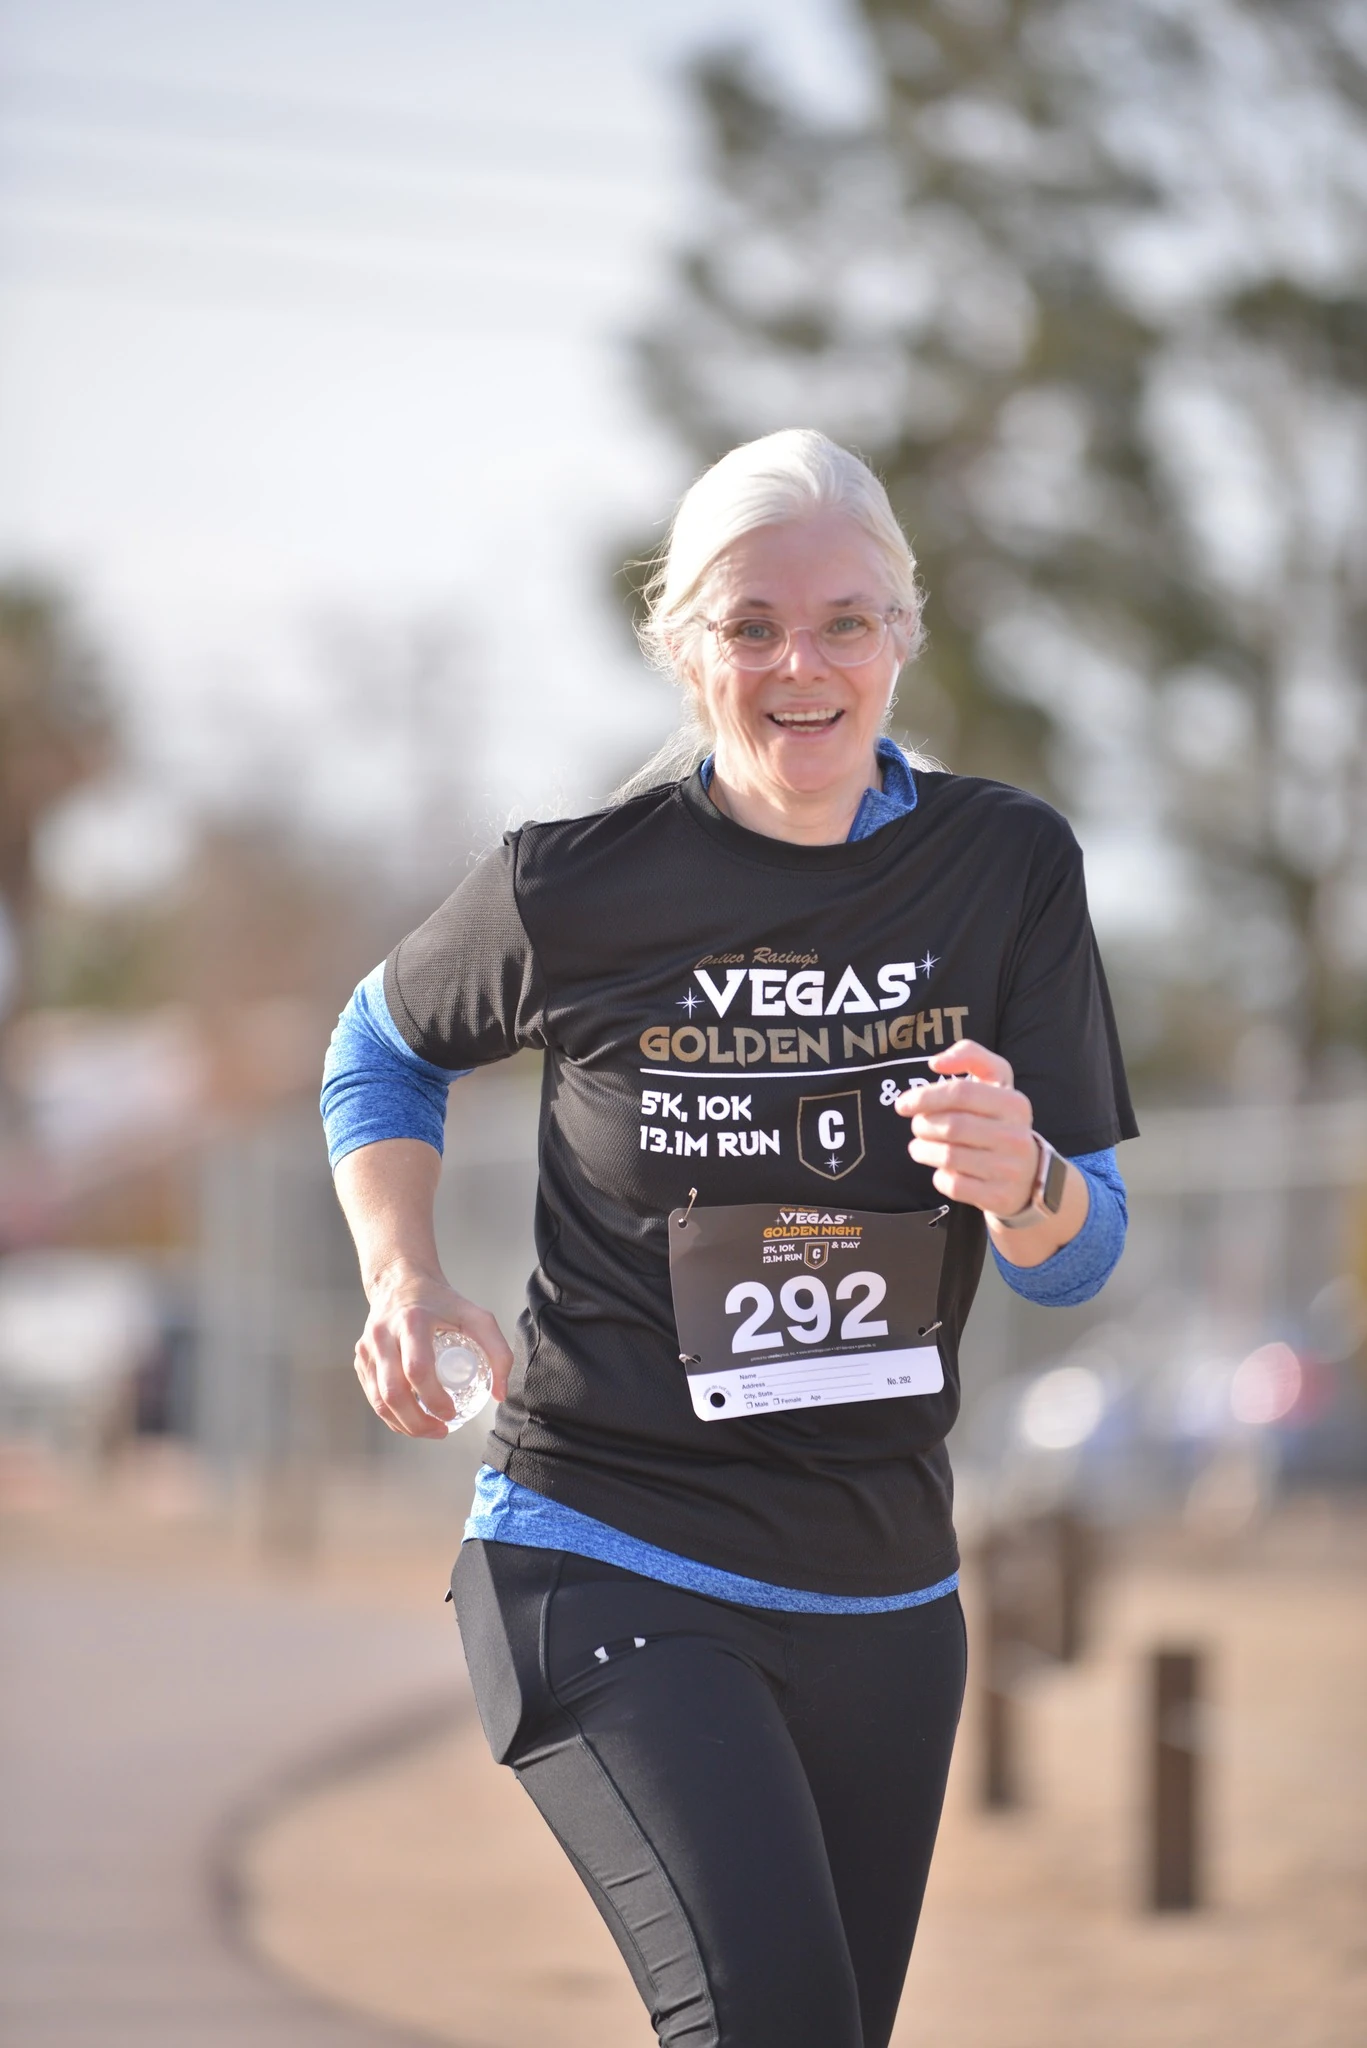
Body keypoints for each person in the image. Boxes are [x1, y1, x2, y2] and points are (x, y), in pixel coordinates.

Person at [321, 429, 1136, 2048]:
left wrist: (1025, 1179)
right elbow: (379, 1045)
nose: (799, 667)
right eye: (750, 626)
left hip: (884, 1595)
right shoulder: (572, 886)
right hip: (608, 1547)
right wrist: (402, 1273)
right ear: (682, 645)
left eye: (843, 623)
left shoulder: (1005, 868)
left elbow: (1080, 1252)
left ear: (901, 635)